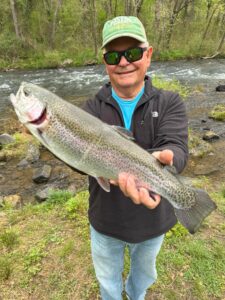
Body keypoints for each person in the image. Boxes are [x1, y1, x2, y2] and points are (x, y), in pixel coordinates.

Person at [83, 16, 188, 300]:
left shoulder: (170, 102)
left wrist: (171, 158)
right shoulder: (90, 110)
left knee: (143, 278)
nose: (123, 62)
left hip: (154, 218)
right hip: (105, 220)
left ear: (148, 54)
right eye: (114, 55)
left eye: (132, 52)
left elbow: (176, 146)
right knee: (107, 281)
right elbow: (76, 157)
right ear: (105, 61)